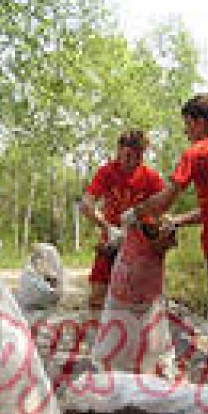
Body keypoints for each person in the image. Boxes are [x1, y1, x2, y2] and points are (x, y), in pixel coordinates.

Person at [122, 93, 208, 392]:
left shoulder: (198, 152)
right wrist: (179, 221)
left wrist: (135, 213)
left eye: (187, 124)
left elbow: (165, 199)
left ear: (199, 123)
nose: (185, 131)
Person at [80, 130, 165, 312]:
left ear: (142, 155)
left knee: (139, 301)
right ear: (119, 151)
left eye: (137, 157)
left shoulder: (151, 178)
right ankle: (101, 336)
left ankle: (135, 337)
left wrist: (155, 233)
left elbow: (163, 211)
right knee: (97, 297)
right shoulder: (107, 172)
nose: (131, 161)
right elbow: (86, 204)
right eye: (126, 156)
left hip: (140, 247)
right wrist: (108, 227)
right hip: (111, 241)